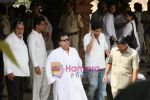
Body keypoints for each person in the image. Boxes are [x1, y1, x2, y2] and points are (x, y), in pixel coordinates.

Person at [45, 33, 87, 100]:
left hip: (75, 81)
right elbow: (48, 67)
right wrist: (55, 80)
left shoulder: (73, 50)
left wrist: (79, 75)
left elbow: (79, 63)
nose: (66, 42)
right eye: (64, 40)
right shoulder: (55, 53)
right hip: (62, 84)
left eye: (67, 39)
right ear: (59, 42)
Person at [3, 19, 30, 100]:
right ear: (14, 29)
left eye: (22, 29)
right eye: (18, 28)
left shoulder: (21, 39)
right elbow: (6, 57)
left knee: (20, 95)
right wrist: (9, 71)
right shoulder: (9, 40)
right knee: (14, 96)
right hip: (13, 73)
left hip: (21, 72)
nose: (20, 31)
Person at [83, 21, 109, 100]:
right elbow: (87, 50)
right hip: (91, 66)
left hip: (102, 65)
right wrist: (93, 39)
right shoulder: (86, 37)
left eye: (100, 31)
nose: (98, 33)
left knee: (103, 88)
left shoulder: (102, 36)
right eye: (97, 31)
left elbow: (106, 49)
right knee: (94, 85)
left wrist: (112, 58)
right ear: (92, 30)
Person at [27, 16, 50, 100]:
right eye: (42, 24)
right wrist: (36, 66)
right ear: (37, 26)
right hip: (38, 66)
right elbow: (32, 53)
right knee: (37, 88)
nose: (44, 26)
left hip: (44, 64)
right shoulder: (32, 36)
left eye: (44, 24)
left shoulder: (40, 34)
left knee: (46, 85)